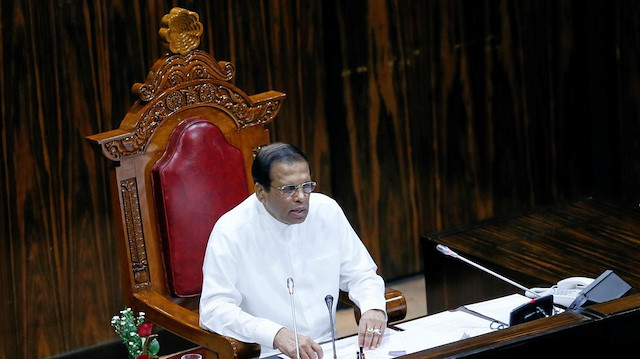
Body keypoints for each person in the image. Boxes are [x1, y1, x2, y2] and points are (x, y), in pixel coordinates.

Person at [199, 142, 387, 359]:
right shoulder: (231, 230)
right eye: (289, 189)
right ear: (261, 192)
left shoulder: (326, 211)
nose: (301, 197)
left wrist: (373, 307)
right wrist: (274, 333)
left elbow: (361, 273)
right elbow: (213, 309)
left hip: (329, 347)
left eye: (307, 186)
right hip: (266, 352)